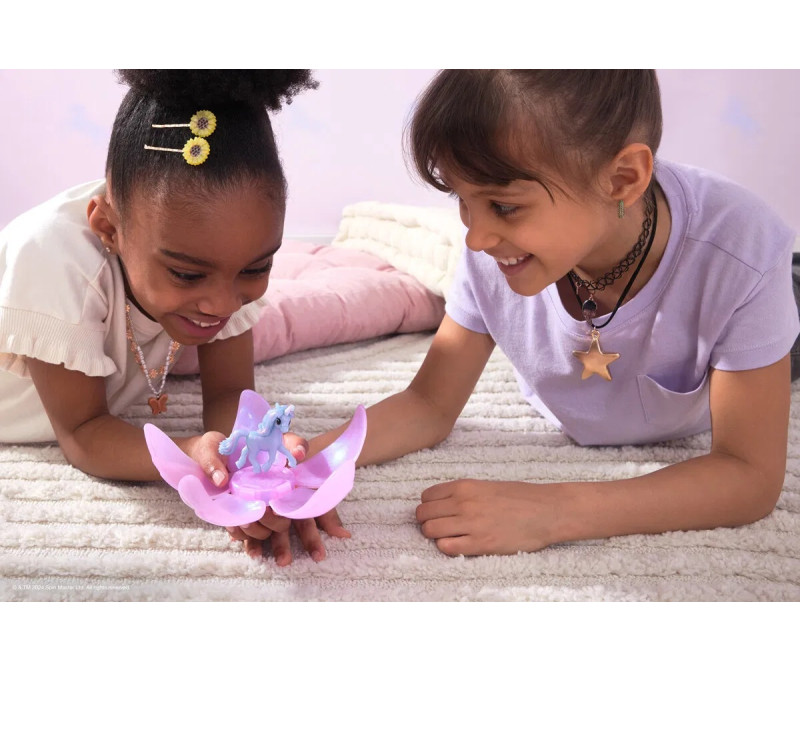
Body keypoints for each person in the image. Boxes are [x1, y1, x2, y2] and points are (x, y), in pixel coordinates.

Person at [304, 69, 800, 558]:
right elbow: (428, 404)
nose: (475, 238)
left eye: (504, 207)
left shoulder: (744, 254)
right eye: (461, 199)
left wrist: (553, 511)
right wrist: (308, 464)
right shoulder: (492, 251)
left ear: (622, 180)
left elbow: (749, 475)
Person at [0, 69, 347, 564]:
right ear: (108, 229)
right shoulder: (54, 260)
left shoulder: (222, 261)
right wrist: (189, 455)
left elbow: (229, 394)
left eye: (256, 268)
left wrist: (256, 468)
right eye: (187, 274)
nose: (222, 304)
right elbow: (83, 433)